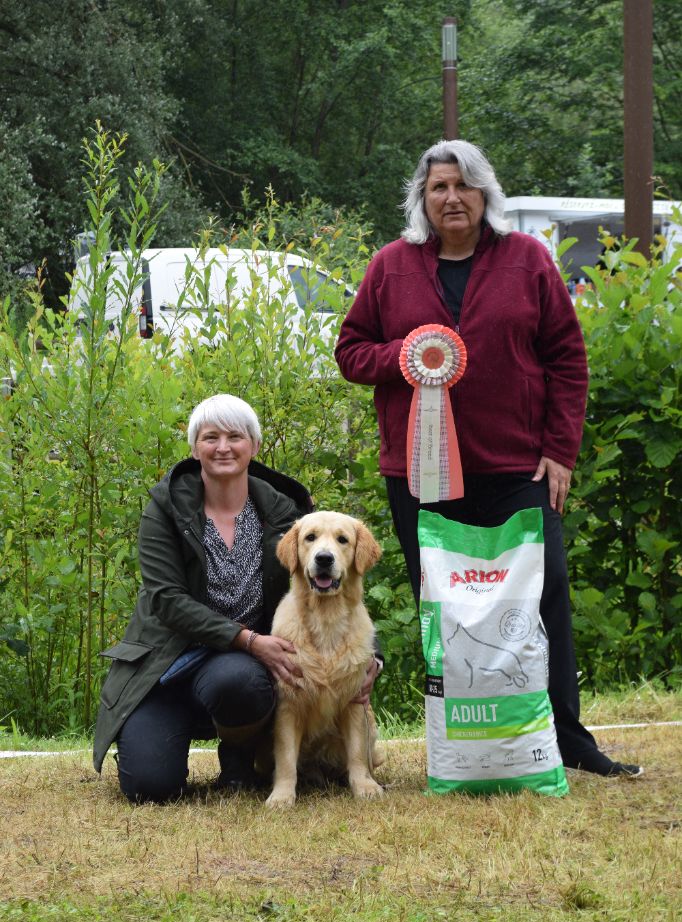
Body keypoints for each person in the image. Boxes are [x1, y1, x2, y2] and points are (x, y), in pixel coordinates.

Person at [335, 139, 642, 779]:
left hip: (516, 471)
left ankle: (568, 740)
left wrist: (559, 451)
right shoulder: (390, 266)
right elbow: (350, 351)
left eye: (464, 186)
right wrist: (405, 356)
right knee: (442, 609)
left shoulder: (528, 260)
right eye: (439, 187)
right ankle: (463, 746)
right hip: (420, 475)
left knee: (543, 595)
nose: (452, 198)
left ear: (485, 195)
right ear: (422, 197)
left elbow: (567, 359)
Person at [93, 394, 381, 802]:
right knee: (150, 788)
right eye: (210, 437)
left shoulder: (285, 512)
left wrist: (374, 656)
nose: (223, 447)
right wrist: (247, 639)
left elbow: (338, 587)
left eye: (235, 436)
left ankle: (238, 757)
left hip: (236, 669)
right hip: (167, 664)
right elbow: (166, 599)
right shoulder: (165, 506)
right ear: (195, 448)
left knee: (240, 681)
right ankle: (157, 741)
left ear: (254, 445)